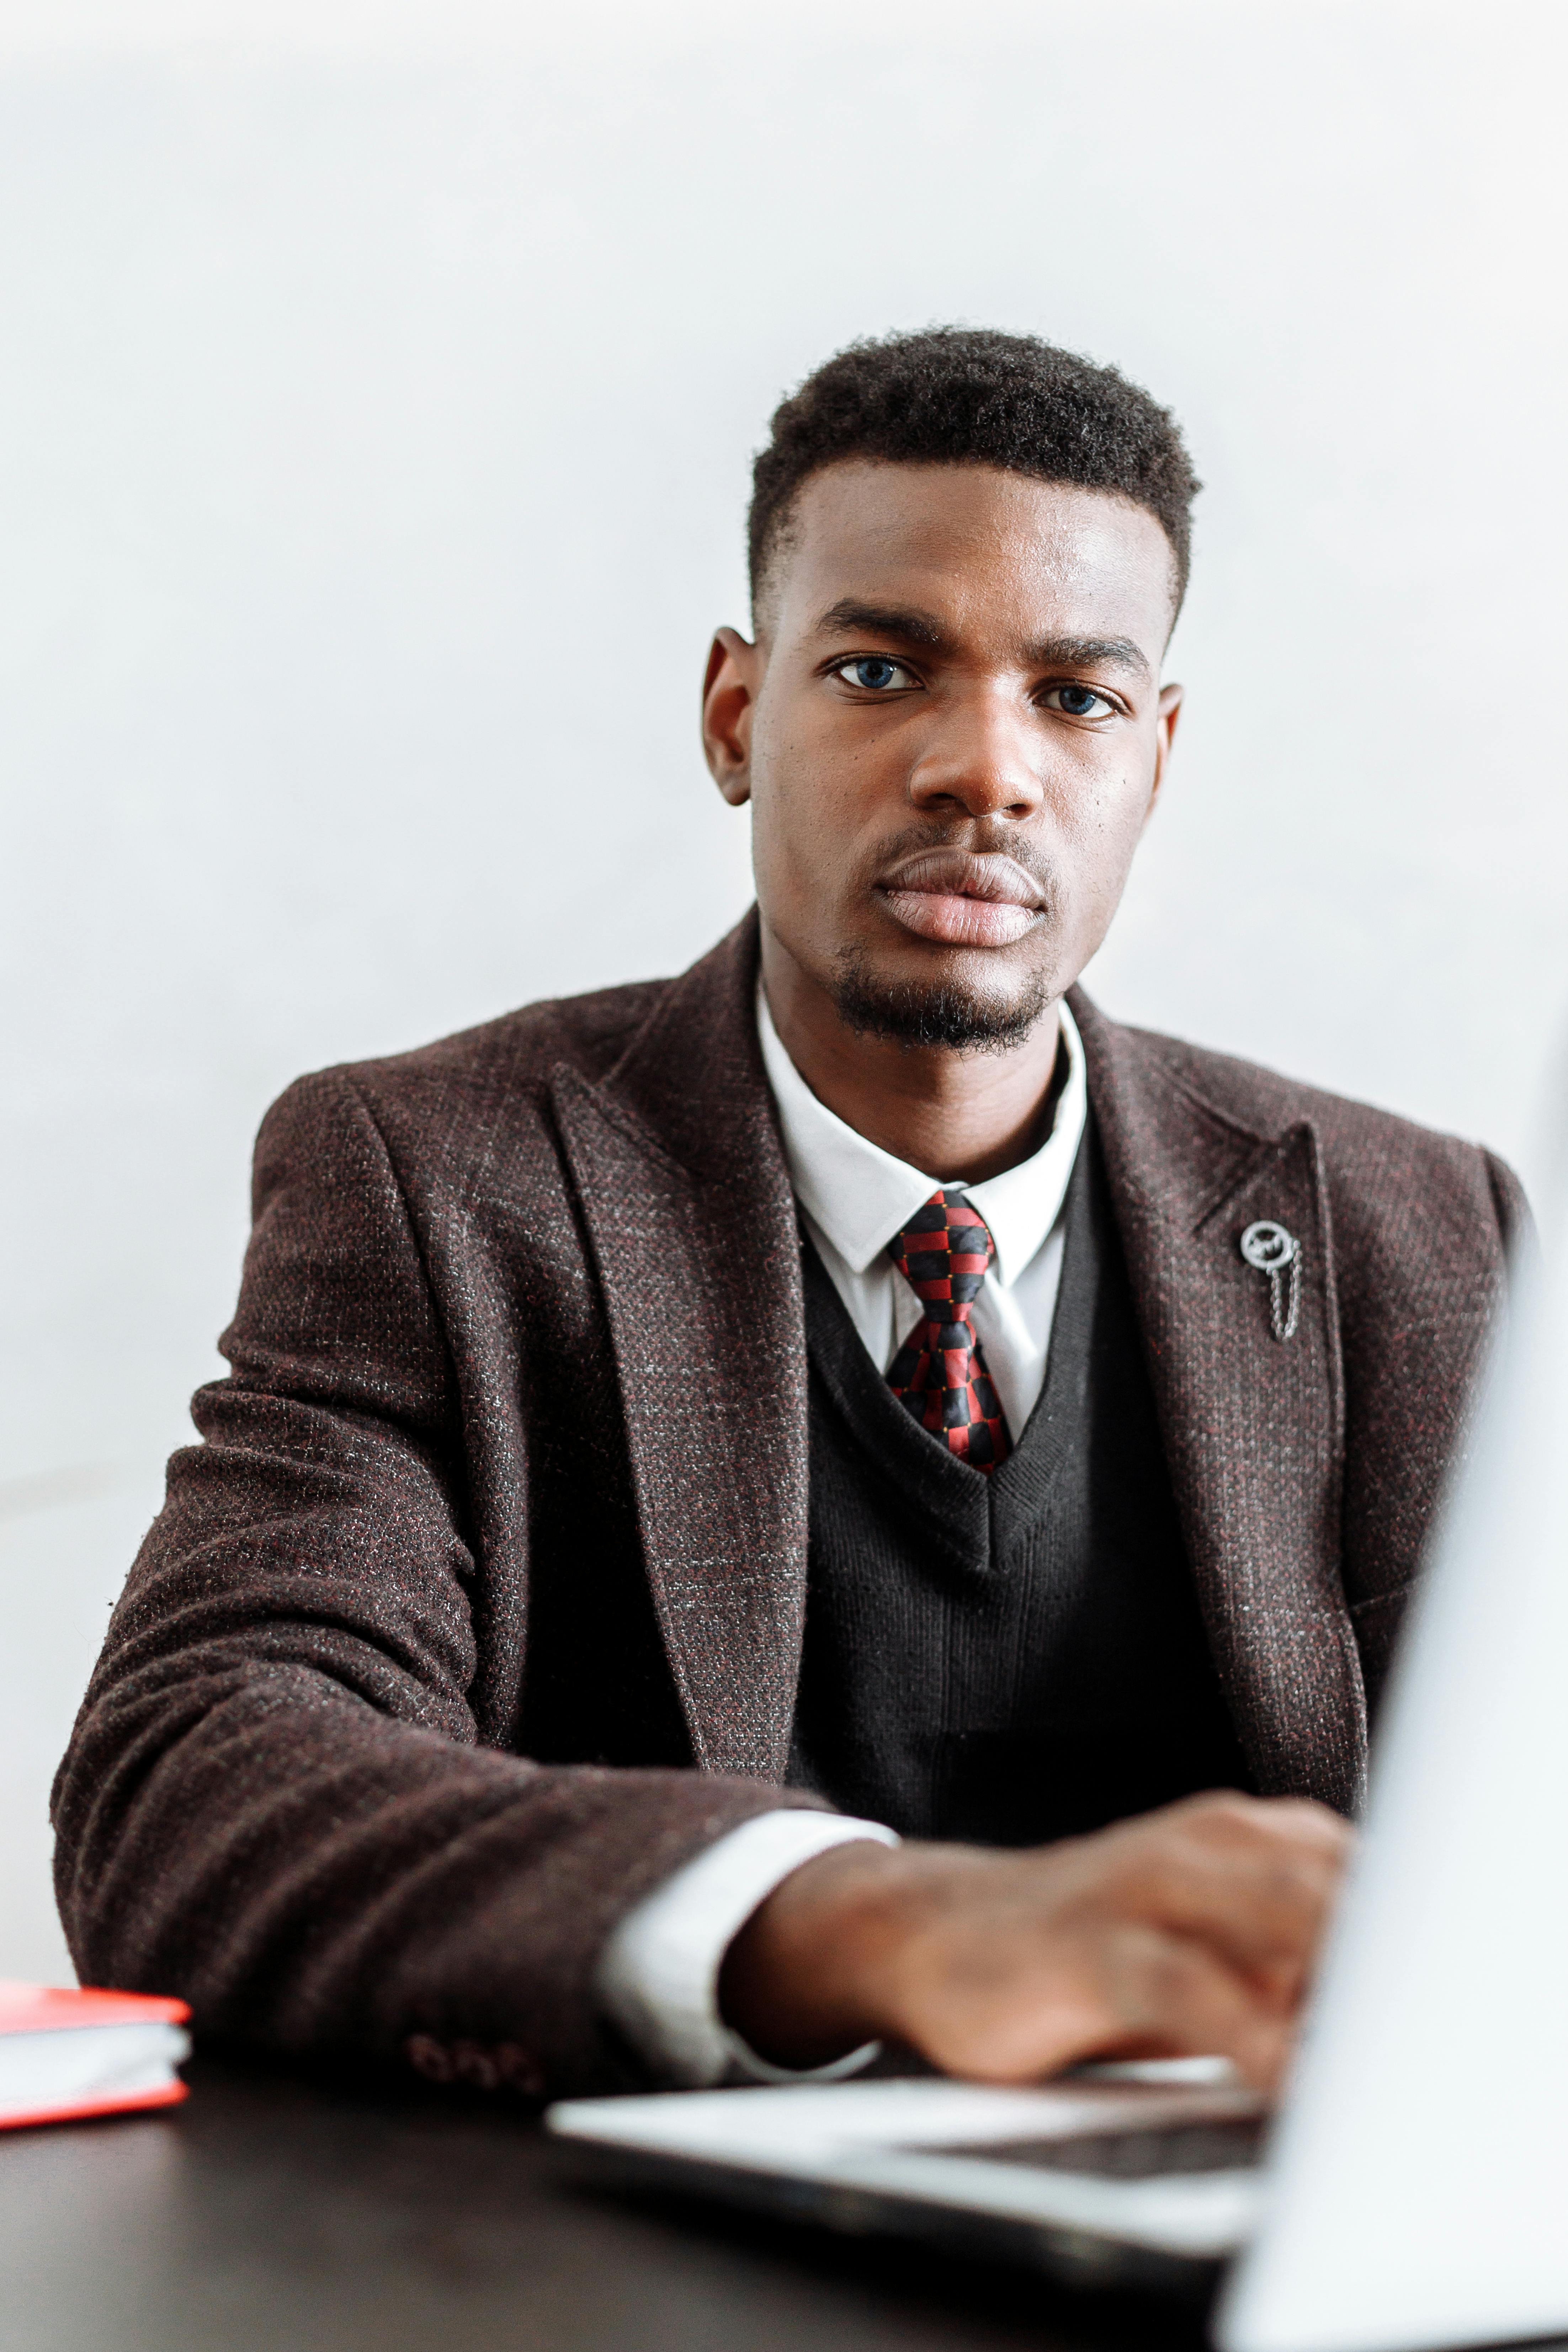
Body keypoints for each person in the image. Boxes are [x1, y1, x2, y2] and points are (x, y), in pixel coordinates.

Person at [52, 330, 1521, 2105]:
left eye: (1076, 697)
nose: (986, 770)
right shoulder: (432, 1179)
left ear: (1157, 754)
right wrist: (875, 1925)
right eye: (886, 668)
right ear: (738, 716)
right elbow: (189, 1785)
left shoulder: (1423, 1229)